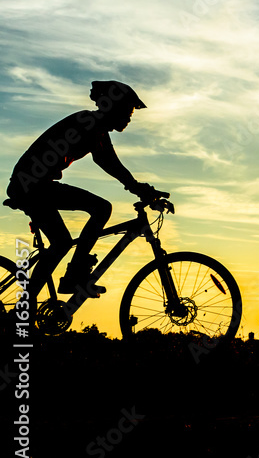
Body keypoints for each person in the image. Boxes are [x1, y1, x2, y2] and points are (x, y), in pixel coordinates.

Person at [4, 81, 160, 297]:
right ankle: (73, 277)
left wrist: (140, 189)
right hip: (32, 186)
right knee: (101, 208)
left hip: (31, 185)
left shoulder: (93, 125)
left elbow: (111, 163)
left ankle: (31, 302)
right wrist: (141, 190)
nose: (130, 117)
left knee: (61, 242)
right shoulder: (90, 125)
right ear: (113, 106)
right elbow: (110, 163)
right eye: (128, 110)